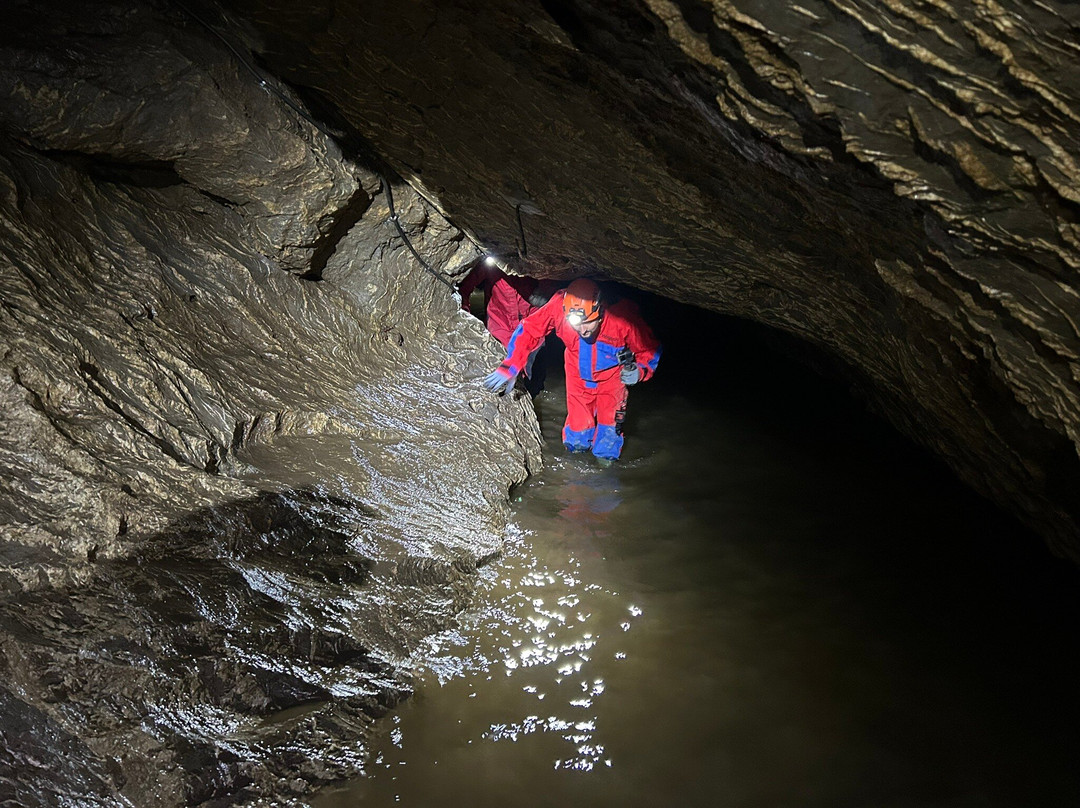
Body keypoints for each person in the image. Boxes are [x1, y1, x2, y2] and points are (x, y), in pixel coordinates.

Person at [484, 278, 661, 463]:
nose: (582, 330)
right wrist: (512, 363)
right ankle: (575, 477)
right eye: (576, 323)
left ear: (599, 310)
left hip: (612, 380)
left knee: (608, 437)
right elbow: (529, 329)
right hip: (577, 375)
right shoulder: (558, 307)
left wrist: (640, 371)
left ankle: (606, 473)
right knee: (577, 435)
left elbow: (649, 350)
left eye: (588, 323)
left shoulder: (623, 319)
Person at [460, 262, 553, 395]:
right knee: (504, 382)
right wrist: (464, 311)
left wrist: (544, 294)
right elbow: (465, 286)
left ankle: (530, 398)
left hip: (534, 333)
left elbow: (554, 282)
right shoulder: (492, 262)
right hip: (500, 331)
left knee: (534, 383)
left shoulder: (534, 262)